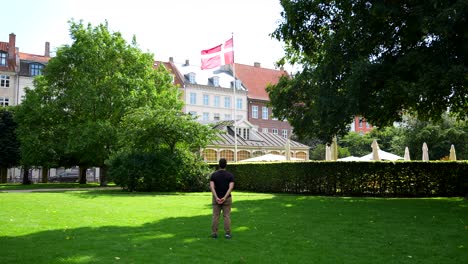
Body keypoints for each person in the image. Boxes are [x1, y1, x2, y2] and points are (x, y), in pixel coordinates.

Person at [210, 158, 235, 239]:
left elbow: (212, 188)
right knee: (226, 216)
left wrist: (217, 197)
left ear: (219, 164)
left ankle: (214, 233)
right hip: (227, 199)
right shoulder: (230, 175)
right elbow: (230, 188)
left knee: (215, 216)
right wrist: (224, 197)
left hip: (216, 199)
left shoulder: (213, 175)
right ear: (226, 165)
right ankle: (227, 233)